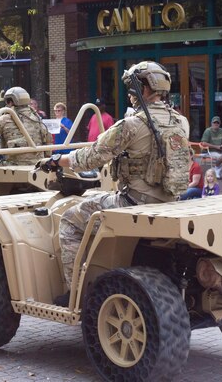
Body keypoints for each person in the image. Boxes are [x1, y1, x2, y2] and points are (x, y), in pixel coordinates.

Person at [41, 61, 190, 295]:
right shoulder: (181, 121)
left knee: (69, 220)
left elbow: (91, 157)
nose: (130, 94)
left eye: (133, 88)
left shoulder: (132, 124)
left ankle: (75, 292)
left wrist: (57, 160)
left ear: (145, 89)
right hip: (171, 201)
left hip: (134, 203)